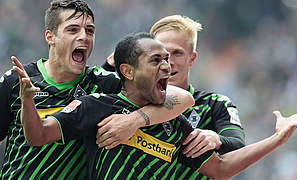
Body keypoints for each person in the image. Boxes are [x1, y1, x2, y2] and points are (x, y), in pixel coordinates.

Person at [15, 32, 297, 180]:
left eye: (170, 58)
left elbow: (221, 168)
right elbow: (38, 135)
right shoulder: (96, 106)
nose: (167, 66)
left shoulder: (178, 122)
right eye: (157, 60)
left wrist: (278, 139)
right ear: (128, 71)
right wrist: (28, 101)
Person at [0, 1, 194, 179]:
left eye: (90, 31)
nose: (83, 37)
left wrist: (135, 120)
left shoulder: (103, 85)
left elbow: (183, 98)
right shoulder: (16, 80)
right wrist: (26, 99)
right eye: (73, 30)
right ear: (50, 37)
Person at [100, 14, 246, 179]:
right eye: (159, 55)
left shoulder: (214, 104)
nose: (168, 63)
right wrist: (109, 65)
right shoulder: (129, 97)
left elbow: (237, 144)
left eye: (177, 53)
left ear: (192, 59)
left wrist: (217, 138)